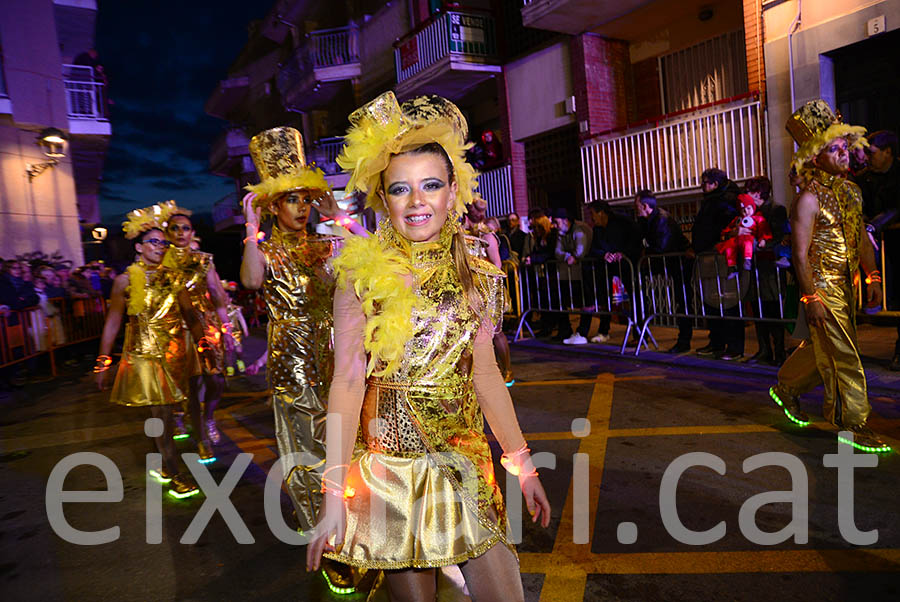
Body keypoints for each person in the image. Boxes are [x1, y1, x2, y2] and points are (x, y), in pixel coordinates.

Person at [306, 92, 550, 601]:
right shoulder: (360, 276)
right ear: (384, 198)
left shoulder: (479, 274)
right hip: (389, 473)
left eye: (430, 185)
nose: (417, 202)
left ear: (452, 190)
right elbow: (348, 381)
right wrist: (332, 491)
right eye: (401, 189)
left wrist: (521, 461)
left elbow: (484, 374)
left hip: (465, 464)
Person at [239, 127, 370, 593]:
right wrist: (250, 231)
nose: (301, 207)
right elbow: (252, 281)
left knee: (349, 449)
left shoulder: (328, 243)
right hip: (292, 364)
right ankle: (328, 542)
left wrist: (339, 216)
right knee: (306, 456)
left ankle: (353, 529)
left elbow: (372, 257)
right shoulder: (268, 250)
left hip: (340, 359)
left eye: (306, 199)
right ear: (274, 206)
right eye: (290, 199)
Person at [770, 99, 889, 452]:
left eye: (845, 148)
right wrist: (811, 298)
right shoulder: (807, 200)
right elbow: (800, 254)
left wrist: (873, 277)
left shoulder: (852, 192)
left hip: (846, 286)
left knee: (826, 350)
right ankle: (853, 424)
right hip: (822, 286)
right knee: (845, 355)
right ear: (815, 157)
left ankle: (786, 387)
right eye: (834, 149)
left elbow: (861, 240)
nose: (843, 154)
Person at [95, 207, 211, 497]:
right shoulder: (124, 281)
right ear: (138, 247)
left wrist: (204, 344)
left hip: (174, 353)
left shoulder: (174, 277)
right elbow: (113, 322)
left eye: (163, 243)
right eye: (154, 242)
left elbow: (189, 315)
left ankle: (166, 459)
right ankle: (175, 473)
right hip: (143, 354)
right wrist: (102, 360)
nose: (161, 247)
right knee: (161, 414)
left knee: (173, 410)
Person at [157, 201, 233, 462]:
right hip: (177, 329)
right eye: (175, 228)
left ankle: (209, 416)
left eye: (185, 228)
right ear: (168, 233)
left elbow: (218, 296)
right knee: (190, 384)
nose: (180, 232)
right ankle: (201, 441)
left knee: (216, 379)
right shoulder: (161, 264)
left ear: (192, 233)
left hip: (207, 325)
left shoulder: (203, 260)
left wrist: (228, 328)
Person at [854, 130, 900, 370]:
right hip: (875, 248)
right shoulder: (863, 179)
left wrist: (875, 225)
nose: (868, 158)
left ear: (888, 152)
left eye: (872, 153)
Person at [693, 168, 743, 360]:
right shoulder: (712, 200)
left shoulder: (725, 200)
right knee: (713, 302)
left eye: (707, 182)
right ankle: (717, 342)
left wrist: (715, 244)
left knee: (728, 302)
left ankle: (734, 346)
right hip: (709, 257)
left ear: (716, 183)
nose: (703, 186)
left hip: (722, 257)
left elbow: (724, 228)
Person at [634, 191, 693, 352]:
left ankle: (684, 340)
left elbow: (662, 247)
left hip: (678, 263)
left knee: (683, 300)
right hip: (668, 263)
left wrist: (646, 252)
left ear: (645, 206)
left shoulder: (662, 220)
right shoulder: (646, 221)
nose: (636, 209)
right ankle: (641, 331)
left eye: (637, 205)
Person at [464, 198, 514, 384]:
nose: (480, 215)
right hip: (468, 291)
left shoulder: (487, 235)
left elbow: (498, 266)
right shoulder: (459, 232)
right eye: (476, 211)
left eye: (482, 212)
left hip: (488, 289)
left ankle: (507, 370)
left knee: (495, 332)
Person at [745, 176, 789, 365]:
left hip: (770, 268)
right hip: (757, 267)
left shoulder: (776, 210)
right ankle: (764, 350)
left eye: (750, 190)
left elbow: (782, 236)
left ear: (758, 192)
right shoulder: (750, 210)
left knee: (773, 311)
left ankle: (779, 352)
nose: (747, 194)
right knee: (758, 310)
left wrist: (766, 244)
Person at [584, 200, 641, 344]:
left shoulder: (623, 222)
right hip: (606, 267)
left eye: (592, 214)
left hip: (627, 265)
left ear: (601, 213)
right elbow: (593, 250)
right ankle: (603, 330)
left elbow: (636, 241)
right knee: (604, 297)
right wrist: (604, 254)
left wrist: (623, 253)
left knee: (635, 297)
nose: (591, 218)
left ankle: (639, 333)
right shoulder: (597, 229)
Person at [553, 207, 592, 344]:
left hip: (585, 271)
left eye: (557, 222)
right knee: (567, 300)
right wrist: (569, 256)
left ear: (565, 221)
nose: (555, 226)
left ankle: (583, 332)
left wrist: (574, 256)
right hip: (570, 272)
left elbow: (580, 251)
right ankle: (571, 331)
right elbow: (557, 252)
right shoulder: (561, 232)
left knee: (586, 302)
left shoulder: (578, 230)